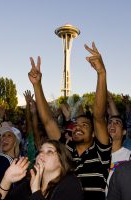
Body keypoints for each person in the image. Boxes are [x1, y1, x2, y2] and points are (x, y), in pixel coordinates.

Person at [28, 42, 111, 200]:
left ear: (94, 133)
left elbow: (99, 117)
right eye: (76, 125)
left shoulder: (101, 152)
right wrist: (37, 85)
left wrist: (101, 74)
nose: (78, 127)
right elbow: (47, 122)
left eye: (84, 125)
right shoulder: (65, 150)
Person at [0, 140, 83, 200]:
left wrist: (36, 191)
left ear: (62, 160)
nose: (41, 155)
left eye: (49, 152)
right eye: (40, 152)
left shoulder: (70, 184)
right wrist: (6, 180)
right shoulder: (27, 186)